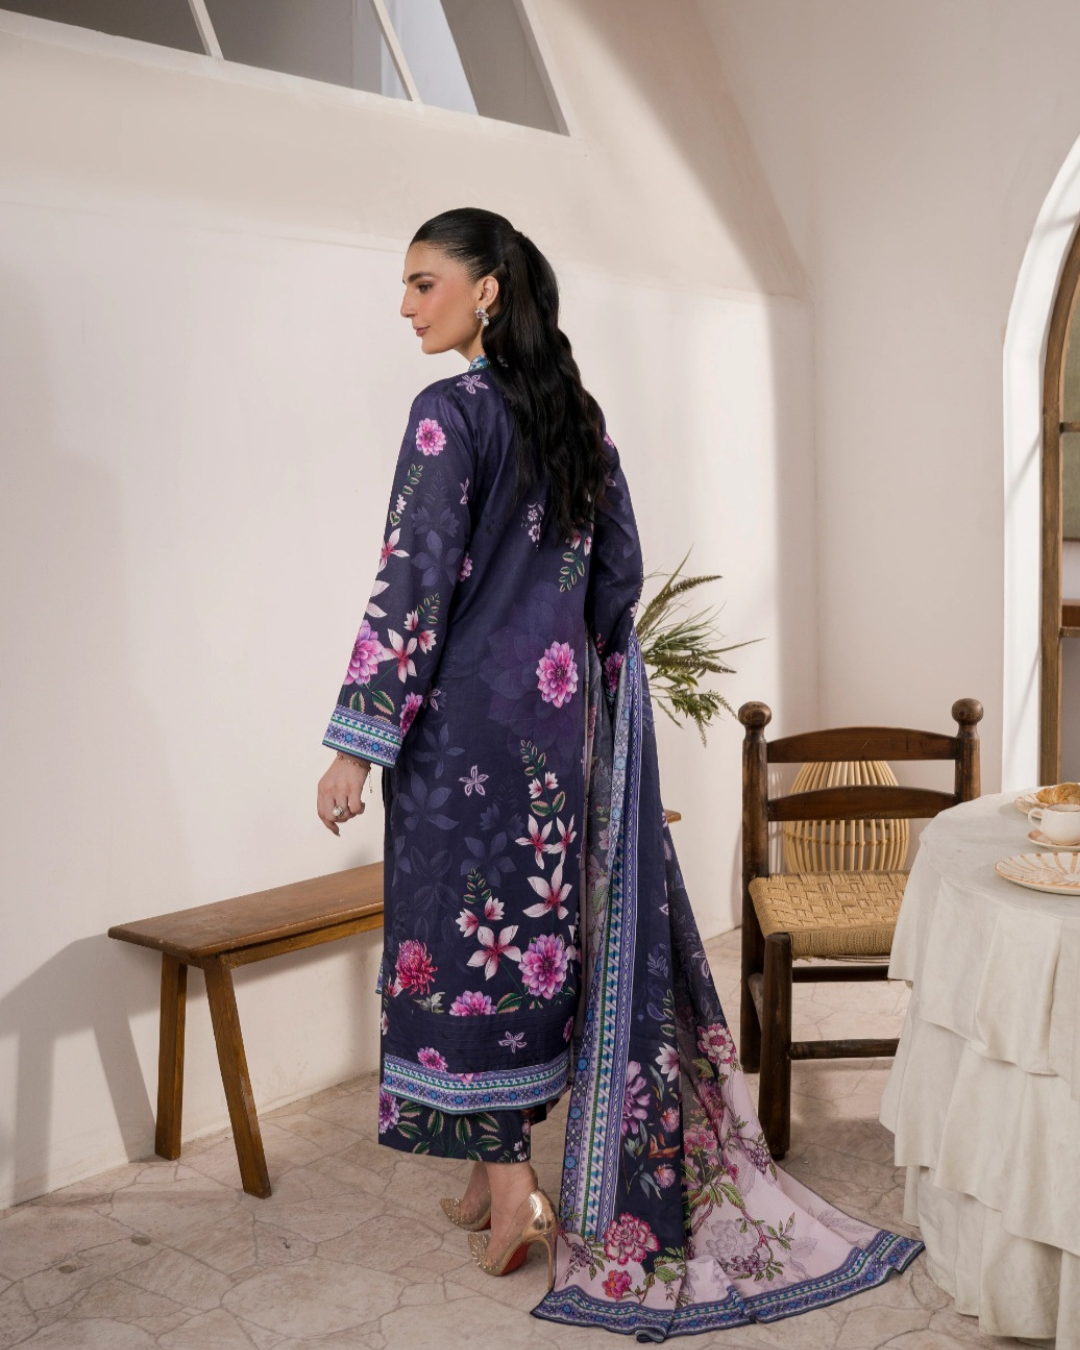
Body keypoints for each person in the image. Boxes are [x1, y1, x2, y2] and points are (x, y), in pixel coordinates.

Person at [317, 208, 922, 1340]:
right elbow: (619, 577)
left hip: (461, 741)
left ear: (486, 290)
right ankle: (486, 1172)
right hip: (559, 727)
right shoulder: (575, 416)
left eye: (423, 283)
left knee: (459, 955)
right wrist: (565, 675)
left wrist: (359, 741)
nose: (405, 306)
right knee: (533, 945)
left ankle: (514, 1193)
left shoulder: (447, 413)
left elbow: (411, 581)